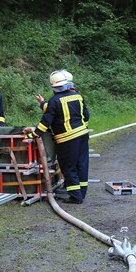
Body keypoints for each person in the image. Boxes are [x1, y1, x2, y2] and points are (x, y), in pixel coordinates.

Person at [25, 69, 89, 204]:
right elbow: (85, 116)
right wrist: (43, 104)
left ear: (54, 87)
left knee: (68, 166)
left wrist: (33, 134)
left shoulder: (54, 100)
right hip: (83, 135)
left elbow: (46, 121)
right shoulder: (77, 96)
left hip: (67, 139)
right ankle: (81, 193)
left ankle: (76, 197)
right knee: (81, 164)